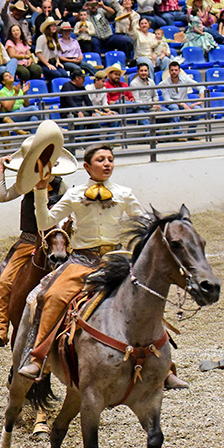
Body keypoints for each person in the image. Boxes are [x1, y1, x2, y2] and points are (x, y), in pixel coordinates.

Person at [17, 143, 144, 379]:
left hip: (116, 260)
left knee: (147, 295)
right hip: (82, 261)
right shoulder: (73, 195)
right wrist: (41, 192)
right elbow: (45, 223)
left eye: (110, 159)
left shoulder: (124, 193)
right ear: (87, 166)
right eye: (101, 160)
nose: (107, 164)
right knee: (52, 296)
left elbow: (143, 223)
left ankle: (163, 365)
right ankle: (39, 358)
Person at [0, 153, 68, 347]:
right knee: (4, 279)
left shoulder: (62, 186)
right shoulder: (26, 183)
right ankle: (1, 328)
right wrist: (2, 173)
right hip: (29, 241)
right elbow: (3, 196)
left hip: (57, 242)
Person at [159, 57, 204, 135]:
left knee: (197, 109)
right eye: (172, 70)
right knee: (174, 108)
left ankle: (191, 133)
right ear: (169, 71)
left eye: (176, 70)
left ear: (179, 71)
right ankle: (178, 133)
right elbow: (167, 99)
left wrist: (200, 100)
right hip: (172, 104)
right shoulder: (164, 83)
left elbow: (201, 87)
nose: (174, 72)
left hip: (185, 103)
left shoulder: (185, 79)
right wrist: (182, 103)